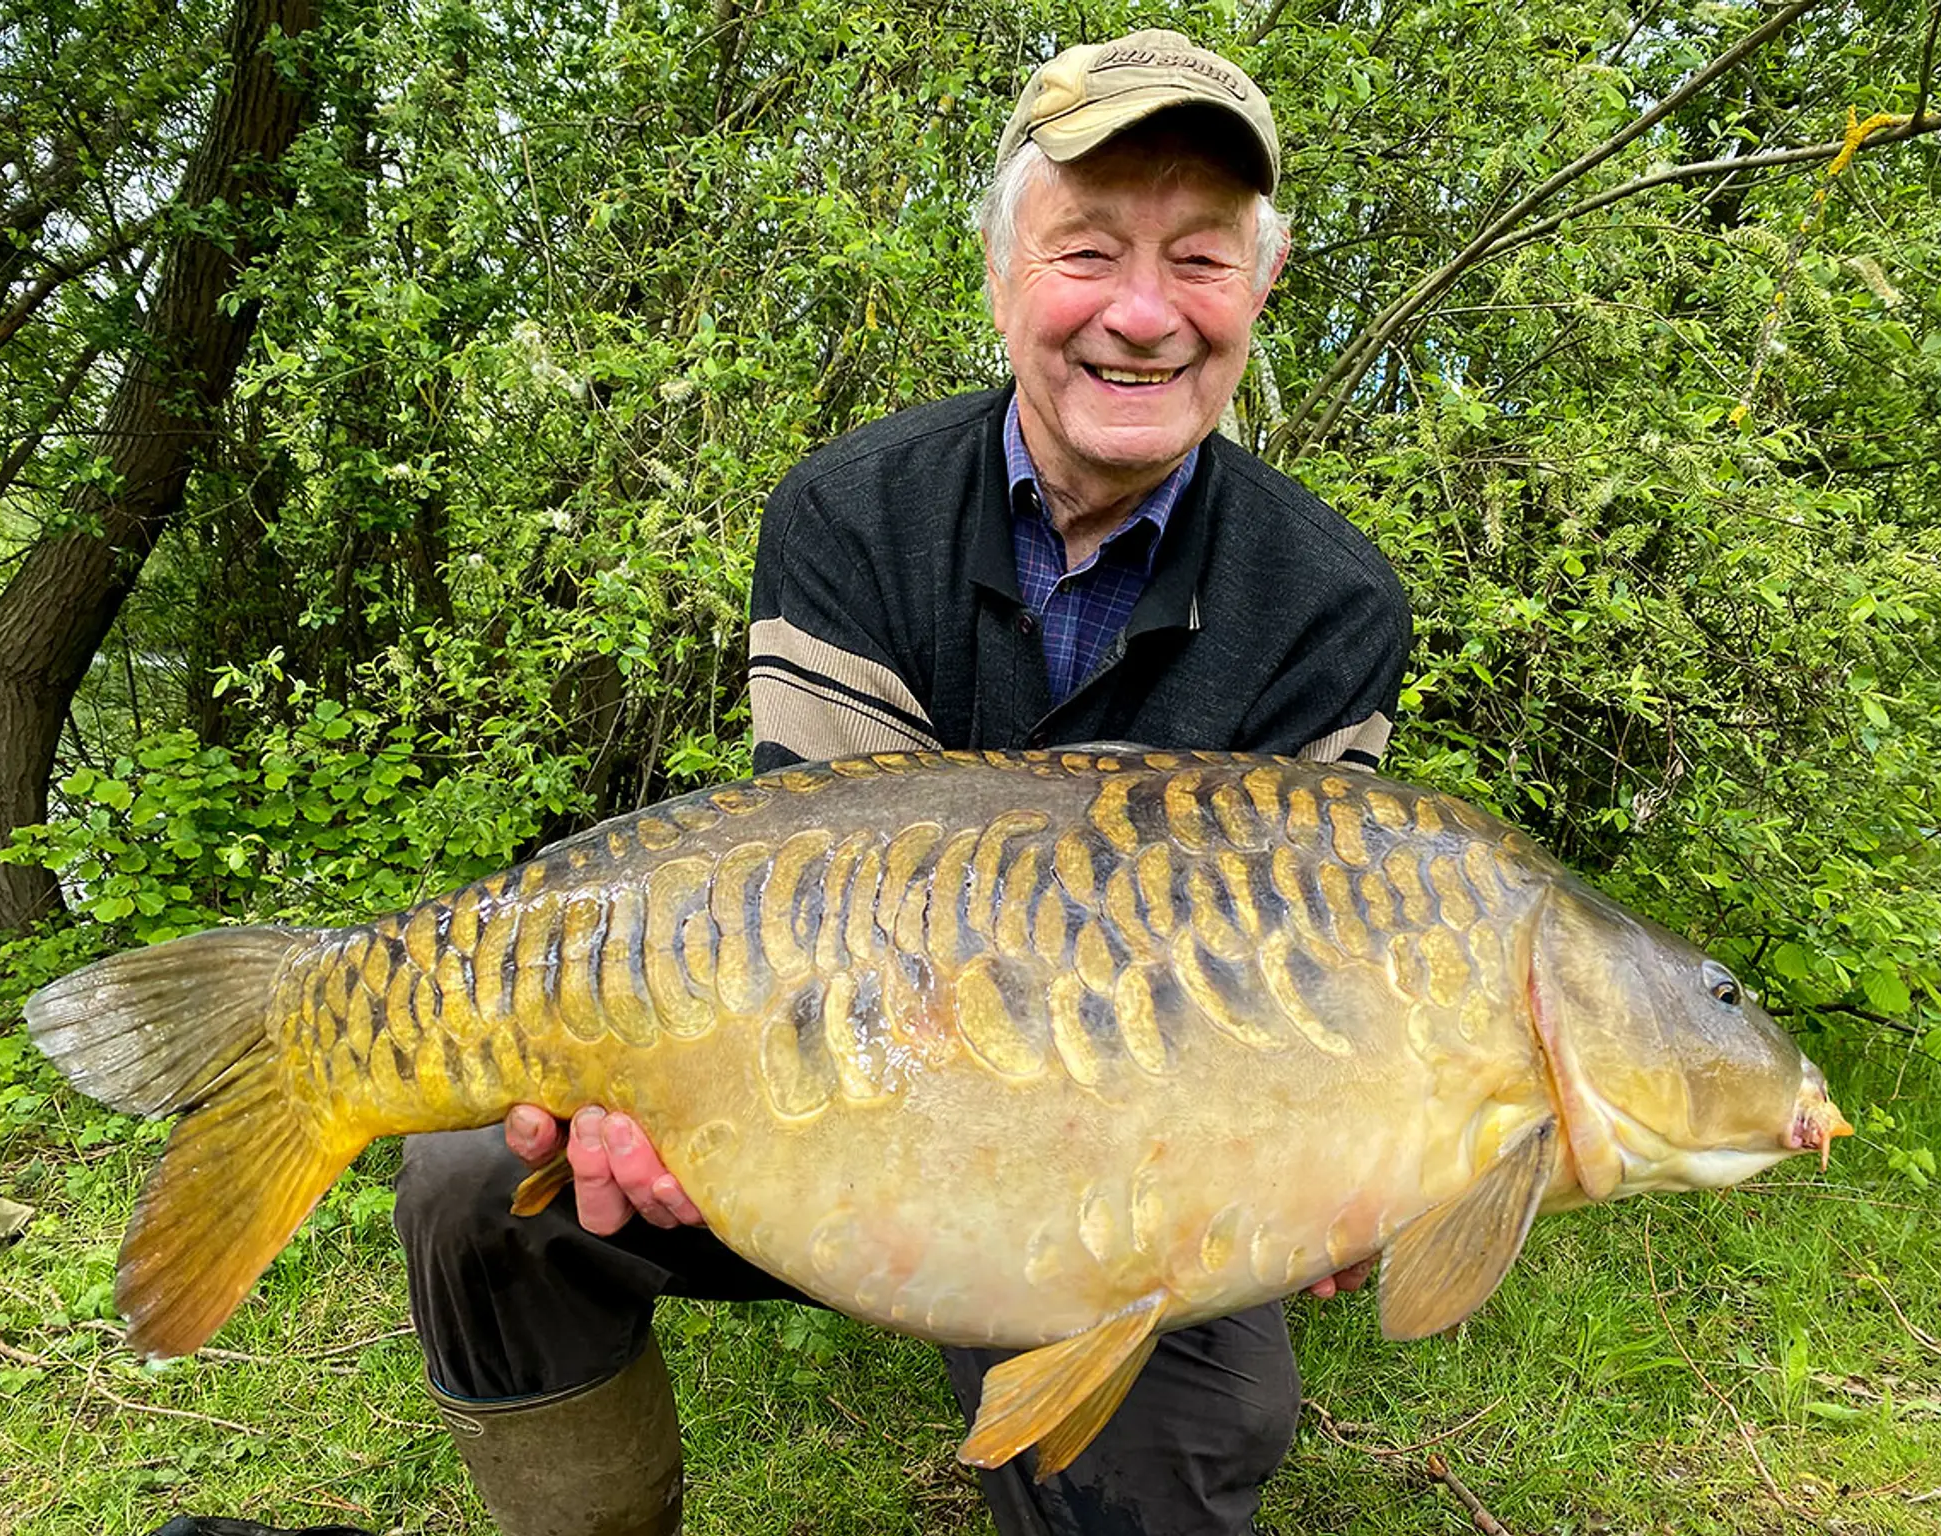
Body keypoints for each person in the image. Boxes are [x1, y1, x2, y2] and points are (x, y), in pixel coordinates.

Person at [393, 29, 1409, 1536]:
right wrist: (674, 1089)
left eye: (1199, 260)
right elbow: (827, 924)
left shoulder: (1330, 602)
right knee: (475, 1174)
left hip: (1133, 1153)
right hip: (840, 1082)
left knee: (1196, 1438)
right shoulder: (856, 512)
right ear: (1003, 277)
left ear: (1259, 293)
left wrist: (1354, 1157)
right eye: (1086, 253)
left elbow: (1300, 990)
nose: (1142, 314)